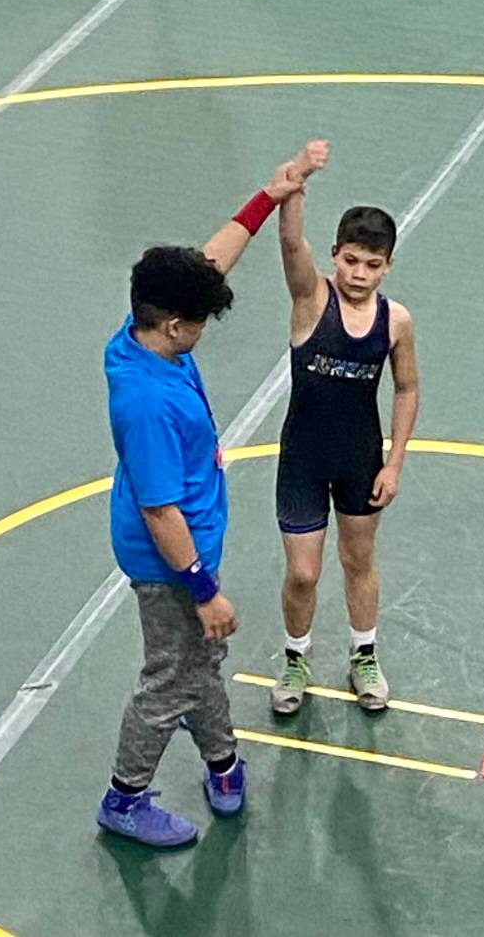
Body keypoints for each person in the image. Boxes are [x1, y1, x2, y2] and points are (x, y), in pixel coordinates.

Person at [97, 159, 305, 845]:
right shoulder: (148, 400)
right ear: (178, 326)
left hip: (187, 544)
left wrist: (268, 199)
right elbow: (161, 512)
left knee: (200, 662)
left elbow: (211, 260)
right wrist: (205, 588)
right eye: (202, 322)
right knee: (169, 678)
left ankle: (222, 759)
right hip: (169, 562)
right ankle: (124, 799)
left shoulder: (147, 333)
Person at [269, 140, 420, 715]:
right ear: (334, 254)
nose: (358, 274)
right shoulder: (311, 300)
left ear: (389, 265)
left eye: (372, 265)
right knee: (303, 573)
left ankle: (363, 655)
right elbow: (289, 243)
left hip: (361, 459)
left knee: (359, 561)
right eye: (350, 261)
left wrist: (395, 461)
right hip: (303, 458)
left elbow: (406, 388)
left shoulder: (397, 321)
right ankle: (295, 657)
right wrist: (297, 184)